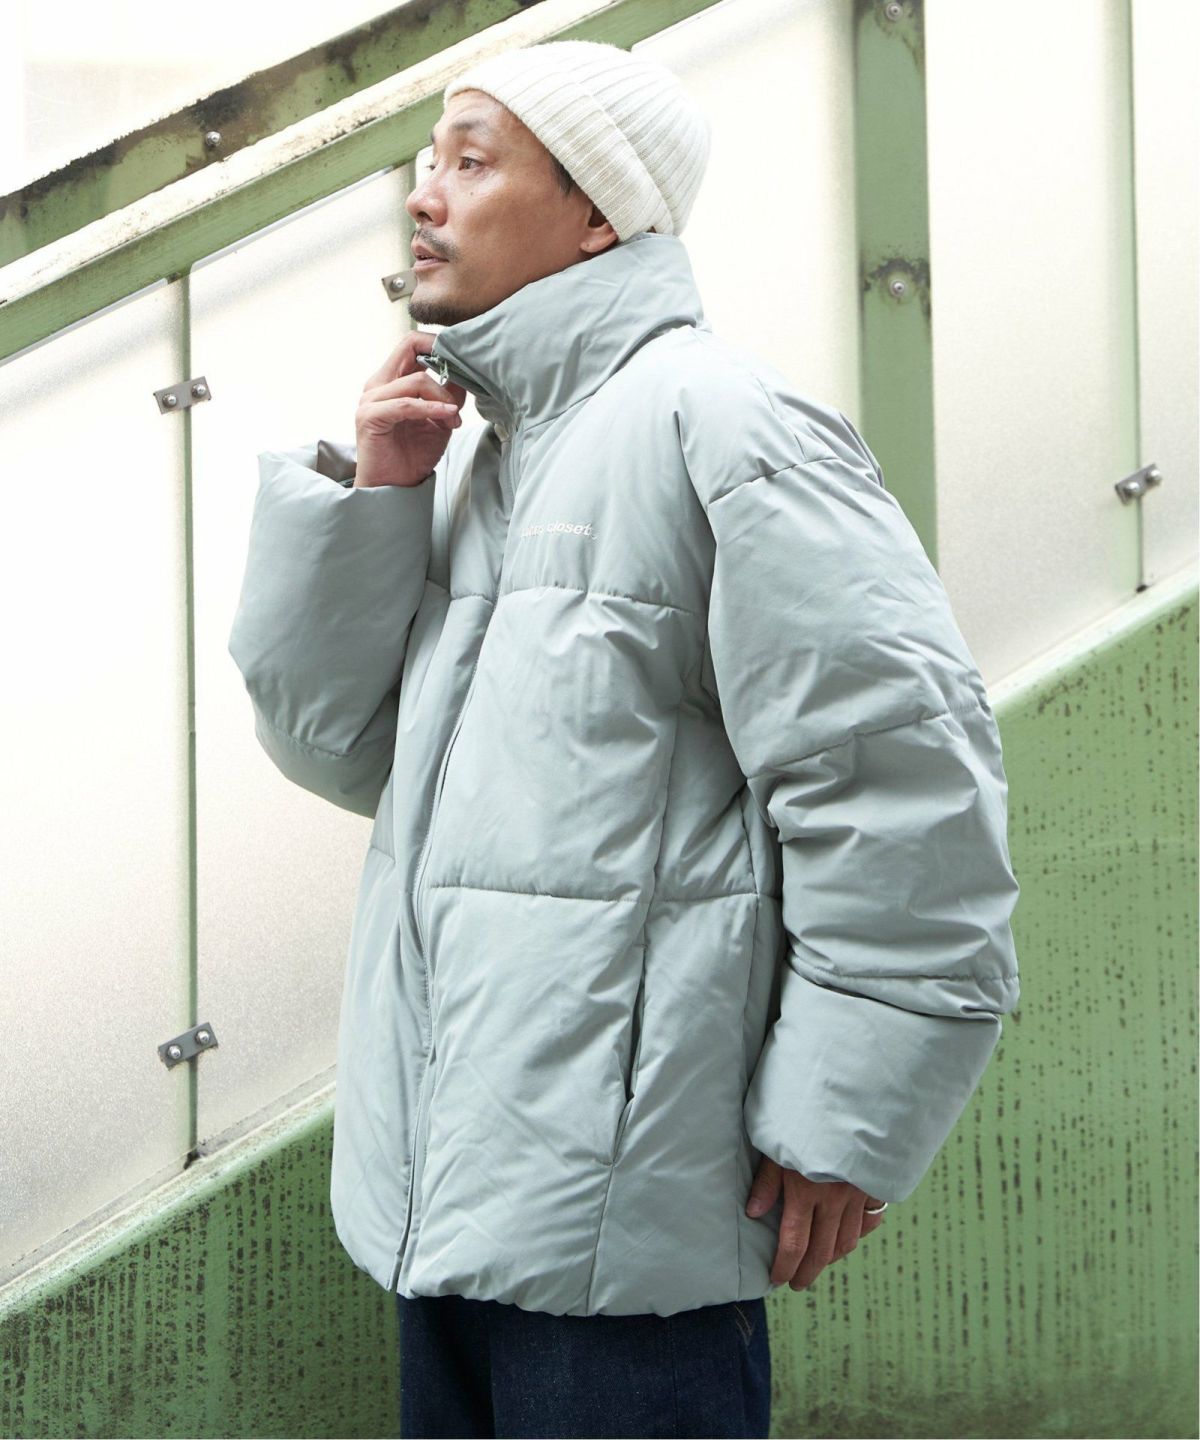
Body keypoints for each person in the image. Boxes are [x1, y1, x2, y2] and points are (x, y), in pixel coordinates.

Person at [228, 38, 1021, 1440]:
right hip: (451, 1205)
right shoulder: (490, 455)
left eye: (472, 161)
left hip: (625, 1244)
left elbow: (901, 782)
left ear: (598, 213)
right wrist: (378, 499)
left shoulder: (726, 425)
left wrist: (844, 1116)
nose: (424, 196)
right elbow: (345, 750)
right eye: (427, 162)